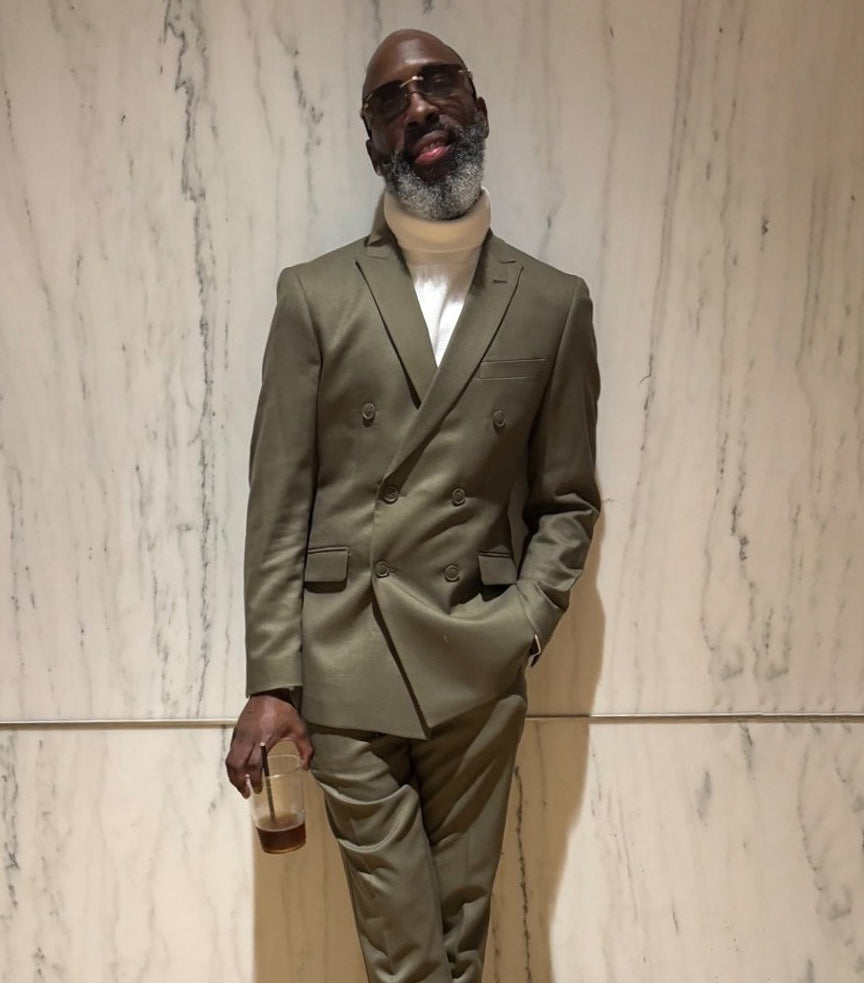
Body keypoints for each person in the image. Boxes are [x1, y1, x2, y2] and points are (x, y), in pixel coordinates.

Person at [226, 27, 600, 983]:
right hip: (345, 657)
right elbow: (278, 500)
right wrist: (272, 680)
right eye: (390, 99)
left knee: (459, 938)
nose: (419, 107)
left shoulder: (552, 303)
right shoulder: (314, 295)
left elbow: (565, 498)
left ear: (478, 107)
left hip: (477, 655)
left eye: (438, 84)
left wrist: (525, 620)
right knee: (408, 949)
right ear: (371, 144)